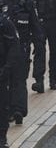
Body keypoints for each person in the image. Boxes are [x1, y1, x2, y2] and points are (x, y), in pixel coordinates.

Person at [0, 0, 43, 124]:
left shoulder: (26, 1)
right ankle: (7, 110)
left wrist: (39, 45)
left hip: (22, 47)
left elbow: (35, 25)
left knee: (19, 79)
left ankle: (18, 110)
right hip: (3, 50)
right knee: (5, 80)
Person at [0, 15, 20, 147]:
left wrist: (6, 69)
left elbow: (14, 47)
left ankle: (2, 138)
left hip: (2, 73)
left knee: (2, 106)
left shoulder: (5, 24)